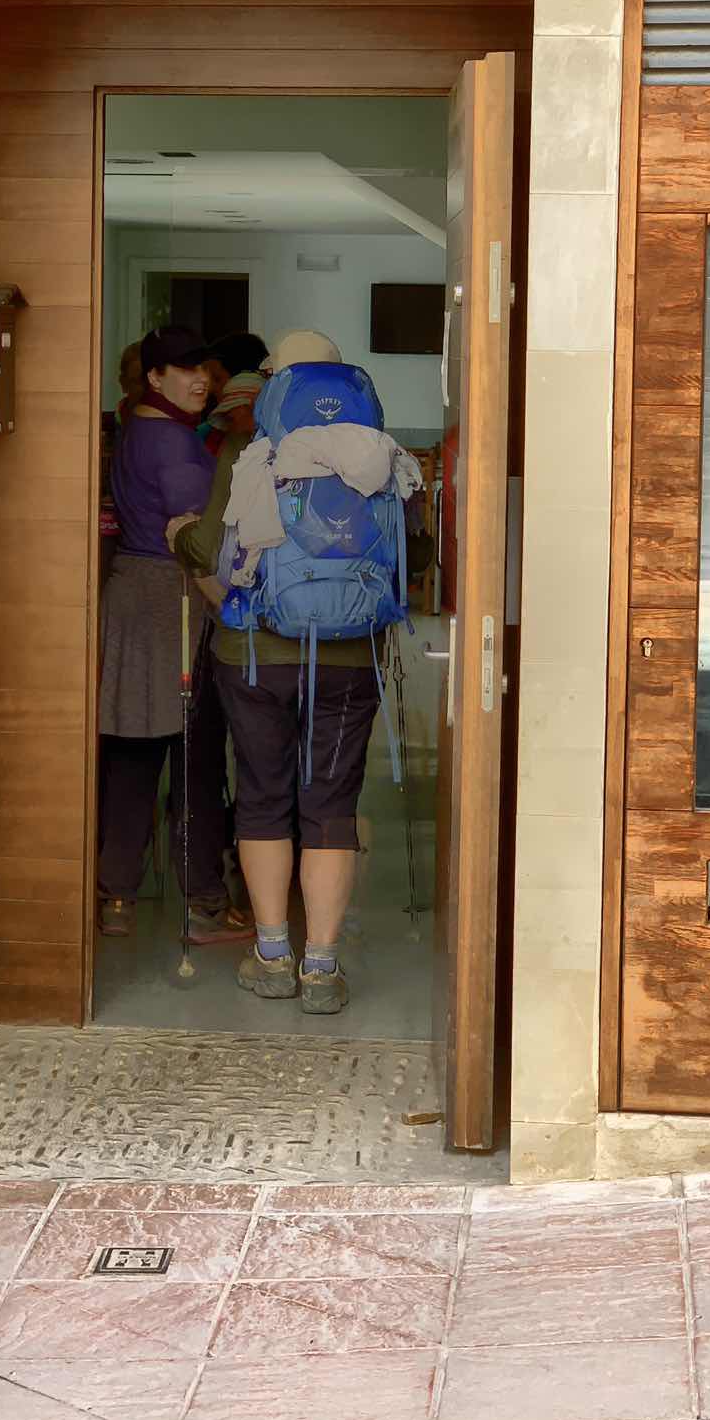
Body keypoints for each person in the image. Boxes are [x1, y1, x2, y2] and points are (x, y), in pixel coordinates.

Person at [168, 330, 433, 1015]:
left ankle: (271, 954)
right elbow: (420, 555)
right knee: (331, 806)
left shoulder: (251, 451)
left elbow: (215, 551)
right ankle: (321, 967)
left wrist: (178, 535)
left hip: (256, 657)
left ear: (276, 385)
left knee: (262, 797)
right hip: (351, 659)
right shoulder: (385, 455)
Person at [98, 326, 254, 946]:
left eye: (204, 370)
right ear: (154, 377)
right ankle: (204, 903)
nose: (201, 381)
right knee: (195, 753)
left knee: (134, 752)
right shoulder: (170, 442)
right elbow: (196, 547)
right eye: (184, 370)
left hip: (136, 593)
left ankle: (116, 896)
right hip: (174, 599)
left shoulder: (139, 429)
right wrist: (235, 610)